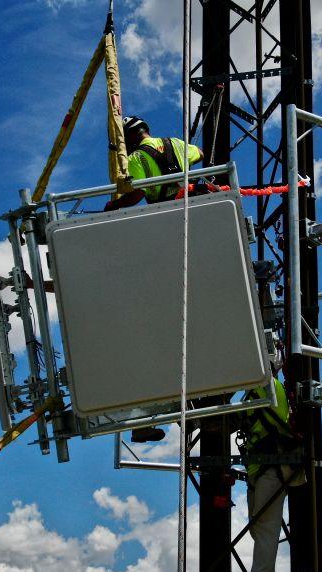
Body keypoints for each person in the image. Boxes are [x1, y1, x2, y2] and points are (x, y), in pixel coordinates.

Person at [108, 115, 203, 444]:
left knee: (160, 325)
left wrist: (111, 207)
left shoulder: (136, 158)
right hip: (192, 223)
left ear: (130, 140)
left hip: (164, 230)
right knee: (182, 324)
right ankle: (185, 410)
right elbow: (199, 154)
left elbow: (134, 194)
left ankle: (167, 414)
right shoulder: (173, 143)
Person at [232, 378, 303, 572]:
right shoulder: (259, 387)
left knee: (265, 527)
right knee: (258, 528)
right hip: (261, 466)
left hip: (272, 465)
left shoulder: (266, 385)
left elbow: (242, 416)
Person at [104, 115, 204, 211]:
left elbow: (137, 194)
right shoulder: (175, 142)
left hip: (166, 210)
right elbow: (200, 154)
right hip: (191, 201)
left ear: (130, 136)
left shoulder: (135, 157)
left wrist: (114, 204)